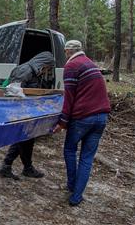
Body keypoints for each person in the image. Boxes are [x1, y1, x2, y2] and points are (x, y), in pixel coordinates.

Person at [53, 40, 110, 206]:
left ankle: (71, 185)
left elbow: (69, 97)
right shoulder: (90, 63)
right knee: (87, 158)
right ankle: (76, 196)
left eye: (65, 52)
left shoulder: (72, 66)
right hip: (101, 117)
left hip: (84, 118)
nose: (65, 55)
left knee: (70, 149)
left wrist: (62, 122)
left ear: (69, 51)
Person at [0, 51, 55, 180]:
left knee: (27, 138)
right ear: (42, 63)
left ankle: (25, 167)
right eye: (47, 67)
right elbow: (13, 91)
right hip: (20, 111)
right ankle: (8, 166)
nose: (47, 71)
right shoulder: (25, 70)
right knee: (23, 137)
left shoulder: (35, 72)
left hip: (29, 111)